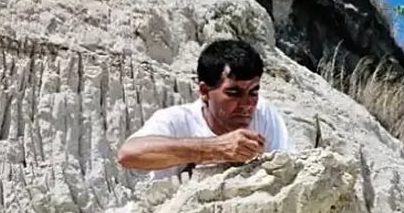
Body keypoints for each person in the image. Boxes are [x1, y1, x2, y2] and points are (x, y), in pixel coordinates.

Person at [117, 39, 290, 180]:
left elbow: (288, 165)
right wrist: (216, 148)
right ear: (205, 91)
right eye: (233, 93)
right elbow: (128, 154)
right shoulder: (177, 120)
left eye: (253, 92)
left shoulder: (263, 114)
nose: (246, 104)